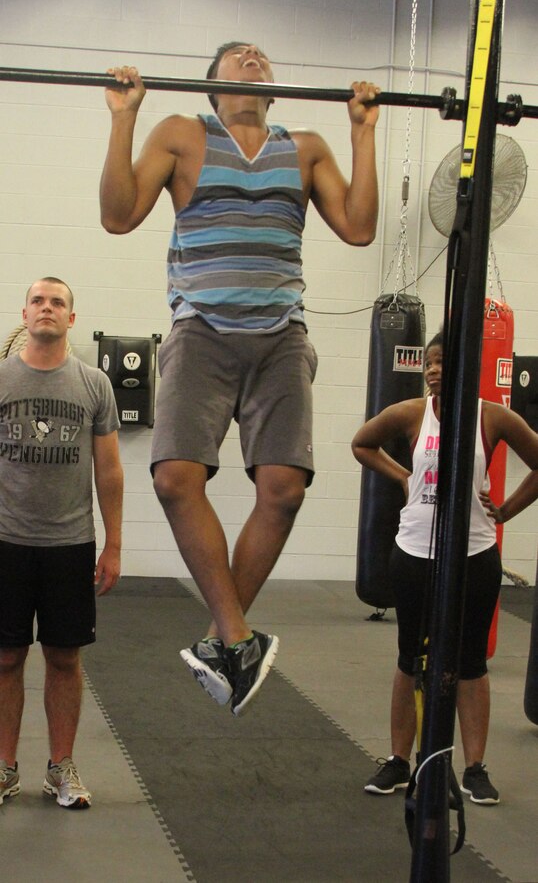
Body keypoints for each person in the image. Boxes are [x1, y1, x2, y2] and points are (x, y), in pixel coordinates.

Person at [99, 42, 380, 716]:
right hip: (202, 330)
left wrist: (363, 133)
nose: (253, 57)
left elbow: (361, 227)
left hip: (282, 334)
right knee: (173, 478)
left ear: (275, 86)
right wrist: (122, 117)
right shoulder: (183, 135)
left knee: (283, 490)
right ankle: (235, 635)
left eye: (261, 55)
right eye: (238, 55)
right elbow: (117, 215)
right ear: (214, 85)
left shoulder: (305, 147)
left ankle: (225, 639)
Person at [351, 330, 538, 805]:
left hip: (473, 554)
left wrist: (506, 510)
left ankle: (475, 768)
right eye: (429, 364)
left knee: (471, 663)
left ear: (464, 367)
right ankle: (399, 761)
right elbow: (362, 444)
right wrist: (404, 478)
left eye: (442, 363)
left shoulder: (492, 417)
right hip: (414, 553)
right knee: (409, 659)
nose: (433, 370)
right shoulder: (411, 414)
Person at [0, 277, 123, 810]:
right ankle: (4, 768)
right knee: (6, 658)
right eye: (38, 301)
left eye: (58, 303)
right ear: (25, 314)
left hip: (71, 543)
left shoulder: (94, 385)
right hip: (6, 541)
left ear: (71, 319)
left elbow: (111, 472)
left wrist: (113, 544)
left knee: (64, 658)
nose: (47, 308)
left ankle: (60, 768)